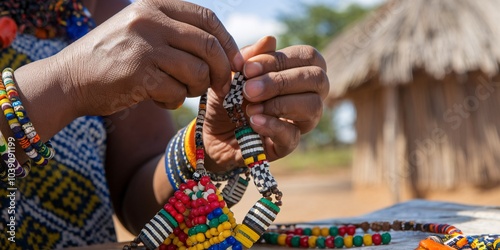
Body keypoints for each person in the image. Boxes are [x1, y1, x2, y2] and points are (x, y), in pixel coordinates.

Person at [0, 0, 329, 248]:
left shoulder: (94, 10)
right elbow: (69, 82)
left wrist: (204, 147)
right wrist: (69, 82)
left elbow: (137, 200)